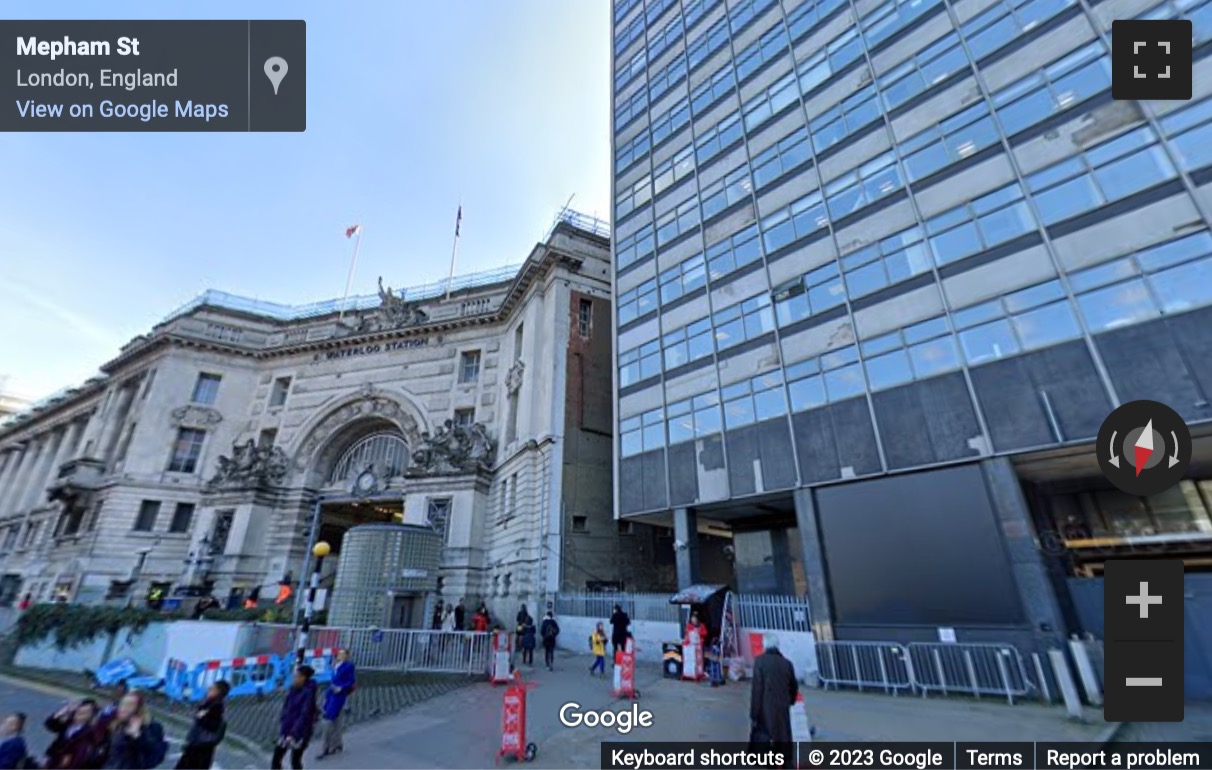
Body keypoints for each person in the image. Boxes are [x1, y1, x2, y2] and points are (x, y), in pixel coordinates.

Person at [749, 633, 798, 746]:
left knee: (768, 737)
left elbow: (757, 690)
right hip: (783, 705)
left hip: (765, 707)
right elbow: (793, 686)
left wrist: (754, 713)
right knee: (784, 735)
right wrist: (790, 700)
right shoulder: (787, 664)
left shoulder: (760, 662)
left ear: (764, 645)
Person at [101, 691, 168, 769]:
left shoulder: (150, 728)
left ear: (138, 709)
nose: (123, 708)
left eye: (129, 705)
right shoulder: (117, 725)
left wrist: (137, 736)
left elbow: (151, 755)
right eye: (122, 704)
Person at [272, 665, 318, 770]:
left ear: (303, 678)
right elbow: (286, 707)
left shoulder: (308, 694)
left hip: (299, 733)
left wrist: (294, 733)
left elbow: (304, 715)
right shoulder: (292, 690)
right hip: (286, 730)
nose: (294, 678)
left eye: (297, 676)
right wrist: (283, 721)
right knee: (277, 758)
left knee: (295, 760)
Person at [175, 681, 229, 769]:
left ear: (217, 692)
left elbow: (212, 725)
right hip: (199, 746)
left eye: (212, 689)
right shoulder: (209, 703)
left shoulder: (216, 707)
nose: (208, 690)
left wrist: (200, 718)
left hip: (200, 746)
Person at [43, 698, 103, 770]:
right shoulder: (67, 723)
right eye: (80, 710)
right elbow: (49, 724)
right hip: (52, 762)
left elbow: (81, 755)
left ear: (90, 716)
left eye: (85, 712)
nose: (81, 713)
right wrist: (63, 711)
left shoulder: (89, 732)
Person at [317, 650, 356, 760]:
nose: (340, 655)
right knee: (337, 719)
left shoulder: (348, 666)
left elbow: (351, 680)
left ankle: (327, 747)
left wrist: (342, 688)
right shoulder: (334, 665)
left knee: (329, 718)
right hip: (331, 692)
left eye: (343, 654)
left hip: (338, 694)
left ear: (347, 656)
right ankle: (337, 743)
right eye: (339, 654)